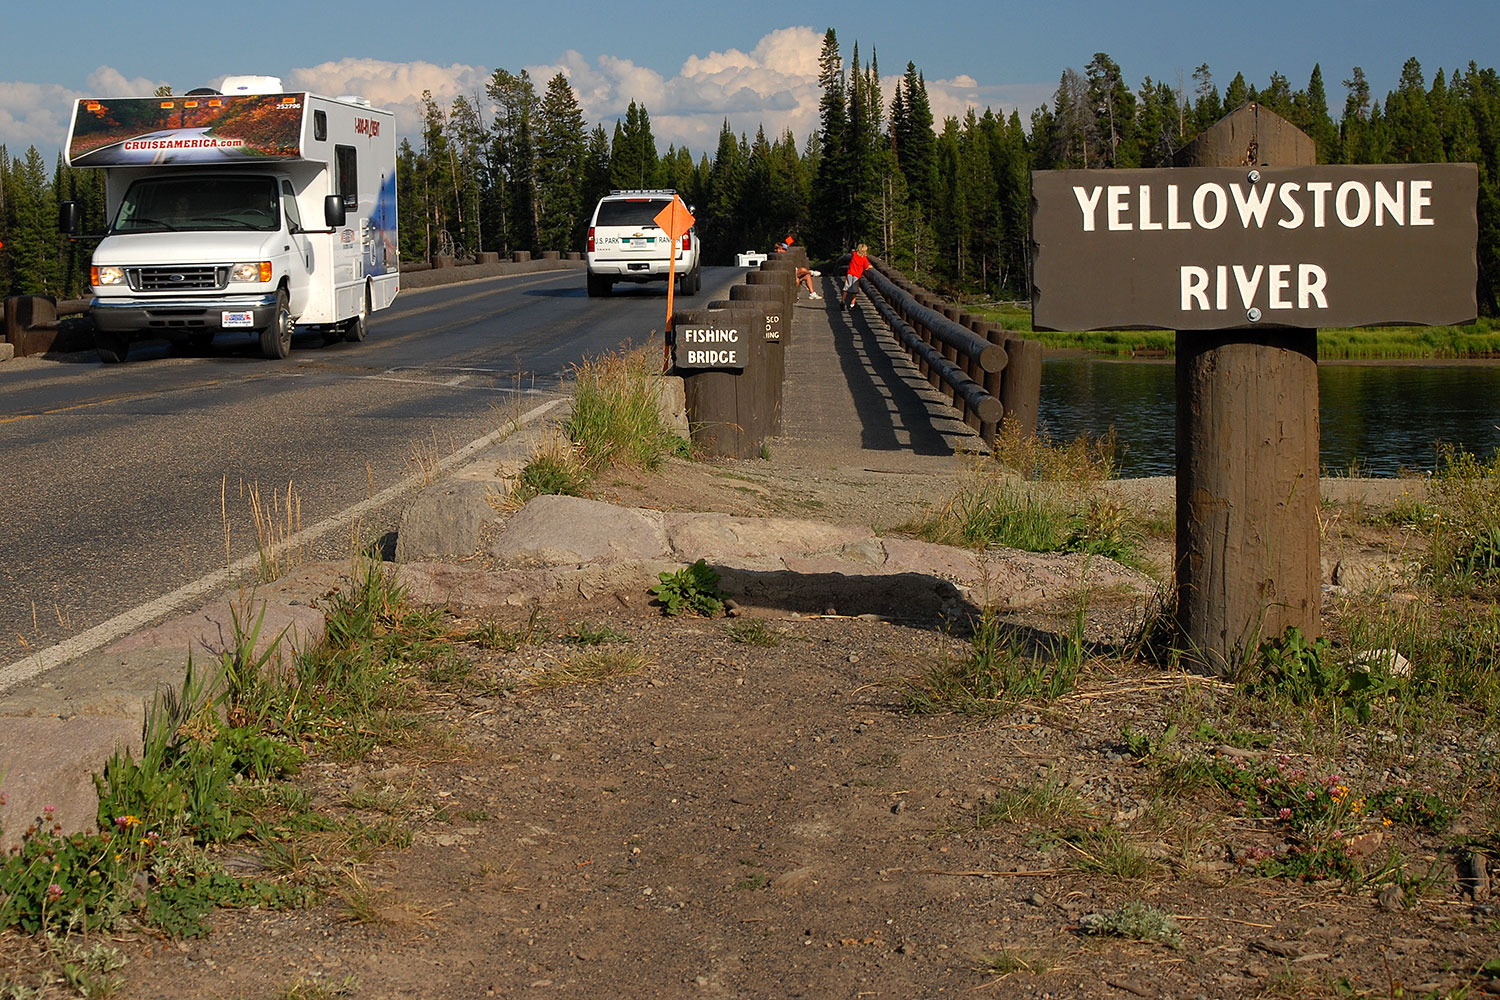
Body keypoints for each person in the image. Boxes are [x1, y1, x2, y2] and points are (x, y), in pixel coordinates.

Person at [776, 234, 821, 299]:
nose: (784, 251)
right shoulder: (777, 256)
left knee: (806, 276)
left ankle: (812, 293)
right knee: (802, 270)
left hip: (793, 271)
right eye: (782, 249)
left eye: (785, 249)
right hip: (788, 273)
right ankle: (811, 272)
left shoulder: (787, 255)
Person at [842, 242, 871, 309]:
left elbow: (852, 251)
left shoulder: (854, 254)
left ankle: (842, 301)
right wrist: (870, 266)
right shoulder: (864, 259)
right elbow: (866, 267)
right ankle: (852, 304)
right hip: (856, 276)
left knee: (846, 288)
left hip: (850, 273)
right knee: (854, 291)